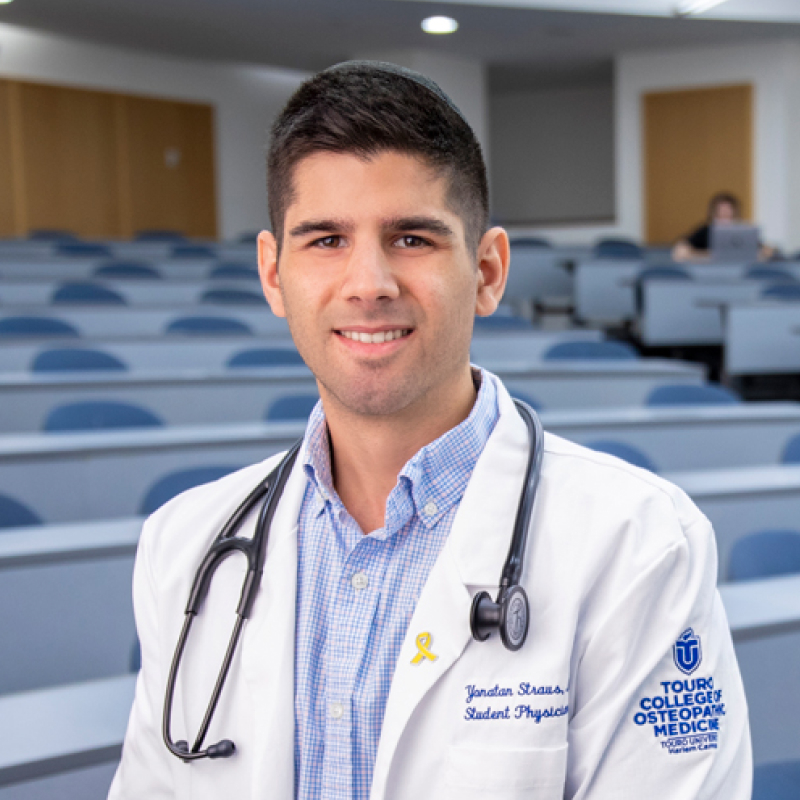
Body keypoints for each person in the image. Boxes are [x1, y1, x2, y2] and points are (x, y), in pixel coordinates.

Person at [109, 62, 751, 799]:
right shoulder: (183, 547)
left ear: (486, 270)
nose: (369, 282)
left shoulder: (640, 546)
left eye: (411, 238)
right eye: (325, 240)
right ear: (273, 274)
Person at [672, 192, 773, 261]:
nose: (725, 213)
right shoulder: (705, 231)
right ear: (714, 212)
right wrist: (709, 256)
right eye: (721, 209)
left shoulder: (743, 232)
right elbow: (680, 252)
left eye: (728, 209)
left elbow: (766, 250)